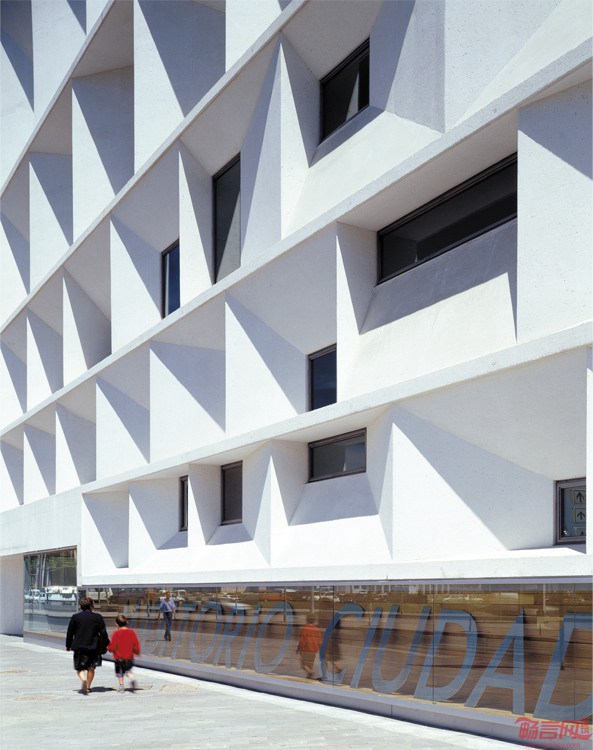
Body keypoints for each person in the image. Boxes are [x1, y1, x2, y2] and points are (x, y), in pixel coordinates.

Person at [66, 597, 109, 694]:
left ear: (81, 606)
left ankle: (83, 680)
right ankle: (88, 686)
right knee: (91, 667)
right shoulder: (97, 617)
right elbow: (103, 633)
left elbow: (70, 632)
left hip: (79, 646)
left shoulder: (76, 617)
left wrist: (68, 645)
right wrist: (106, 643)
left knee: (79, 668)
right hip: (93, 646)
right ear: (91, 606)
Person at [107, 614, 141, 693]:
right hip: (129, 657)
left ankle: (121, 686)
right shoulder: (131, 632)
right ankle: (131, 677)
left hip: (119, 658)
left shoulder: (116, 633)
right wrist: (137, 652)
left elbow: (113, 646)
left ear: (117, 624)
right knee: (128, 670)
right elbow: (136, 644)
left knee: (120, 672)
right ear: (126, 622)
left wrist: (109, 649)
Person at [296, 613, 323, 679]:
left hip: (306, 649)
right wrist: (319, 649)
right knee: (310, 665)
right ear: (314, 621)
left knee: (303, 664)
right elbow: (319, 640)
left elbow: (302, 641)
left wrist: (298, 649)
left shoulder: (305, 629)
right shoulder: (317, 629)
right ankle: (309, 676)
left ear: (307, 620)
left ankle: (310, 673)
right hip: (314, 650)